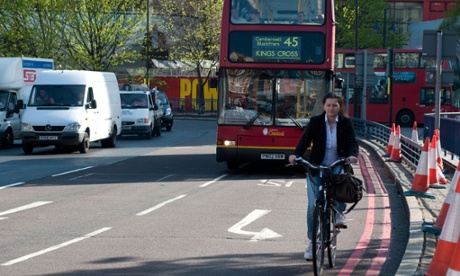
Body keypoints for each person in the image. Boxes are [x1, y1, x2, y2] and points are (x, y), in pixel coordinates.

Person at [288, 92, 359, 261]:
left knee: (341, 180)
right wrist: (295, 155)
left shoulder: (346, 123)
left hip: (337, 164)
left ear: (339, 107)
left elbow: (352, 142)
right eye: (328, 105)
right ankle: (313, 242)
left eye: (335, 105)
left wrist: (352, 155)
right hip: (317, 166)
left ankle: (339, 214)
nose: (332, 108)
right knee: (313, 206)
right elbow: (305, 140)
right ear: (324, 106)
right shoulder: (316, 122)